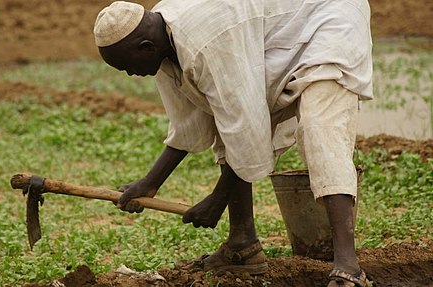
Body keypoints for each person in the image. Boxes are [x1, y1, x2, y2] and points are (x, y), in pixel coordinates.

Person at [93, 0, 373, 285]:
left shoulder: (204, 43)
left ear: (145, 47)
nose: (129, 74)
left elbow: (245, 127)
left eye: (127, 67)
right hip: (279, 33)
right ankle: (243, 244)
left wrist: (218, 199)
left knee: (321, 128)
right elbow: (190, 123)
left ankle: (348, 267)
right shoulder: (161, 43)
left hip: (329, 18)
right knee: (226, 116)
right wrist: (150, 183)